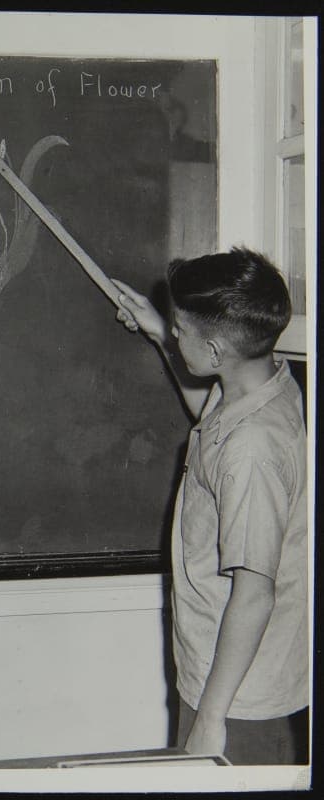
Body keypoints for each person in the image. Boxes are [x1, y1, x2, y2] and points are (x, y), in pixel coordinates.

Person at [112, 247, 307, 765]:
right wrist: (159, 333)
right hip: (221, 673)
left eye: (181, 329)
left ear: (218, 351)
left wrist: (211, 720)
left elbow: (255, 594)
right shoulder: (261, 385)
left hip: (238, 698)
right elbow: (211, 413)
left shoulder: (252, 452)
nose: (176, 335)